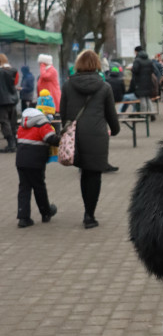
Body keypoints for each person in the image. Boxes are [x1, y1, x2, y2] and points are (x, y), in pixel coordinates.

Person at [59, 50, 120, 229]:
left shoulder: (68, 86)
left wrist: (68, 130)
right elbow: (111, 114)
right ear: (97, 65)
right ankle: (89, 215)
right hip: (97, 136)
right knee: (94, 175)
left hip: (76, 136)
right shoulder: (104, 87)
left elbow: (63, 113)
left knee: (84, 173)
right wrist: (114, 130)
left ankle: (87, 210)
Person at [16, 107, 59, 228]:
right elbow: (51, 139)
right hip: (35, 162)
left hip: (21, 161)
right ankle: (46, 212)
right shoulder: (42, 124)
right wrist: (62, 138)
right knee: (39, 187)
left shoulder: (21, 126)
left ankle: (23, 217)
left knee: (24, 188)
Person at [129, 46, 157, 119]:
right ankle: (152, 113)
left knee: (143, 99)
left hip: (140, 83)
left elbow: (135, 70)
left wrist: (131, 69)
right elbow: (153, 70)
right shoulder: (149, 60)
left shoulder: (137, 60)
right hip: (148, 82)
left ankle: (143, 115)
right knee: (148, 98)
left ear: (136, 52)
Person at [0, 53, 19, 153]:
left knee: (4, 122)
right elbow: (15, 83)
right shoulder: (13, 71)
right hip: (13, 100)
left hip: (2, 101)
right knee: (13, 122)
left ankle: (11, 144)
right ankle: (15, 142)